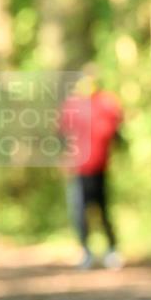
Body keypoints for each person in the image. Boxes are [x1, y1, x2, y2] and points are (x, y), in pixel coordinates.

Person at [59, 65, 124, 269]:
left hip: (100, 167)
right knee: (80, 211)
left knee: (102, 209)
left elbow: (116, 133)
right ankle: (86, 252)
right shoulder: (71, 105)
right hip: (78, 169)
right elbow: (61, 135)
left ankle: (112, 250)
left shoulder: (107, 103)